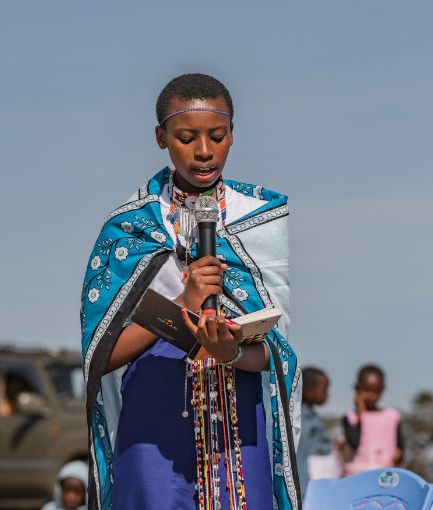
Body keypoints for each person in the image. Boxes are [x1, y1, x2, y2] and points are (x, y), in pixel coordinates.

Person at [80, 73, 301, 510]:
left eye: (216, 136)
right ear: (161, 137)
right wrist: (183, 304)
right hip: (153, 419)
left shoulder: (261, 218)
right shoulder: (128, 229)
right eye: (186, 137)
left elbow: (277, 351)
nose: (204, 151)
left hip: (242, 419)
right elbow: (100, 356)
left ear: (232, 135)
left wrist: (230, 353)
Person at [342, 364, 404, 475]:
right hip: (358, 476)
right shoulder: (350, 417)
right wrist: (361, 413)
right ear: (357, 388)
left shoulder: (392, 416)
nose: (371, 396)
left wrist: (398, 455)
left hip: (387, 476)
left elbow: (400, 447)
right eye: (366, 390)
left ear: (382, 389)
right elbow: (354, 443)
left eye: (376, 391)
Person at [297, 367, 333, 495]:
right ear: (309, 390)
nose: (327, 394)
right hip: (307, 486)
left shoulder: (312, 416)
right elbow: (300, 456)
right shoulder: (302, 419)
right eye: (324, 389)